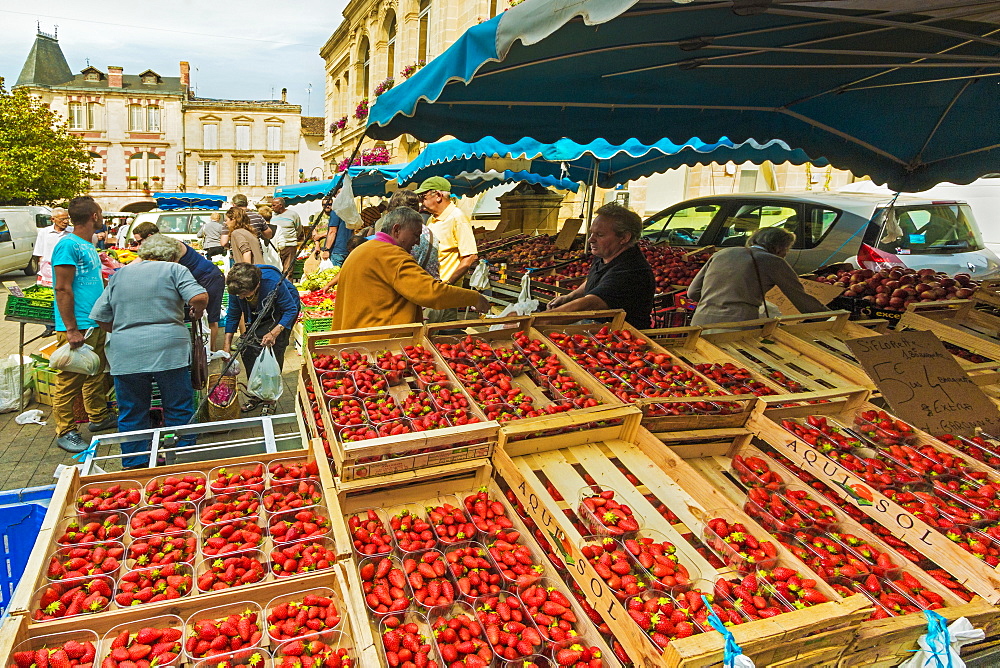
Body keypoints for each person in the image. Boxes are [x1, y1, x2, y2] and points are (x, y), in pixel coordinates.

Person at [90, 234, 208, 469]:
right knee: (178, 407)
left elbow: (99, 316)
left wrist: (124, 330)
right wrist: (196, 311)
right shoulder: (174, 269)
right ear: (173, 255)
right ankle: (181, 460)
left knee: (132, 411)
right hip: (169, 350)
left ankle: (135, 463)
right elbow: (199, 296)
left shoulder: (120, 274)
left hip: (127, 353)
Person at [331, 207, 488, 332]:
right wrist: (474, 298)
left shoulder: (361, 250)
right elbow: (432, 293)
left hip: (352, 340)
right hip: (379, 346)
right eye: (415, 235)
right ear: (397, 230)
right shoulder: (392, 255)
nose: (417, 242)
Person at [51, 196, 116, 454]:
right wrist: (70, 329)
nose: (102, 217)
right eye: (100, 213)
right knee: (70, 380)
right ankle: (65, 431)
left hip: (94, 320)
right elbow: (62, 287)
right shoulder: (67, 245)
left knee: (94, 371)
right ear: (94, 216)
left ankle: (98, 416)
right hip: (78, 324)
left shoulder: (86, 243)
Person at [687, 227, 828, 326]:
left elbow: (692, 292)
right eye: (787, 249)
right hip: (738, 324)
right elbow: (801, 300)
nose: (786, 254)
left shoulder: (722, 253)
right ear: (780, 247)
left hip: (701, 320)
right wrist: (832, 316)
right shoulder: (774, 261)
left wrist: (716, 303)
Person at [547, 203, 656, 329]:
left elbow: (590, 304)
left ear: (624, 238)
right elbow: (595, 279)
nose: (590, 240)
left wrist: (542, 320)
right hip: (600, 329)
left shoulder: (632, 271)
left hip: (625, 338)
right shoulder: (605, 253)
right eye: (591, 233)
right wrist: (570, 296)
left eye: (599, 235)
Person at [131, 222, 226, 350]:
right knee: (197, 316)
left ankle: (211, 351)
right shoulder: (160, 246)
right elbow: (140, 261)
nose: (138, 246)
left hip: (210, 278)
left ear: (149, 236)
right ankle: (202, 350)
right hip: (196, 280)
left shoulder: (171, 245)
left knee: (210, 317)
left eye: (139, 241)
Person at [224, 263, 300, 414]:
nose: (240, 298)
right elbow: (233, 315)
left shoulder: (272, 283)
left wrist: (274, 332)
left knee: (273, 351)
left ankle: (270, 398)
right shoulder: (236, 288)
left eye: (244, 294)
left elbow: (290, 309)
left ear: (257, 285)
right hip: (257, 313)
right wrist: (226, 345)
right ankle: (256, 393)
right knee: (248, 349)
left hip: (281, 312)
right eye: (239, 295)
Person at [417, 177, 479, 323]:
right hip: (430, 288)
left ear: (438, 196)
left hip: (443, 291)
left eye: (423, 197)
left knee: (434, 333)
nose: (421, 202)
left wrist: (449, 283)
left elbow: (470, 256)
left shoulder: (457, 218)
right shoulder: (432, 219)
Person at [34, 208, 73, 287]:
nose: (65, 221)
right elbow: (40, 254)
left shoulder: (72, 232)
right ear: (53, 219)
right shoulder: (44, 232)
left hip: (68, 271)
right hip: (48, 272)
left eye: (67, 218)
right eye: (62, 219)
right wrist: (43, 271)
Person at [271, 197, 301, 273]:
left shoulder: (293, 215)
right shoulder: (272, 216)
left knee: (288, 270)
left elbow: (299, 229)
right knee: (277, 269)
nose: (272, 207)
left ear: (280, 205)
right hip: (276, 246)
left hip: (290, 245)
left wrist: (292, 238)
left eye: (274, 205)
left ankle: (287, 284)